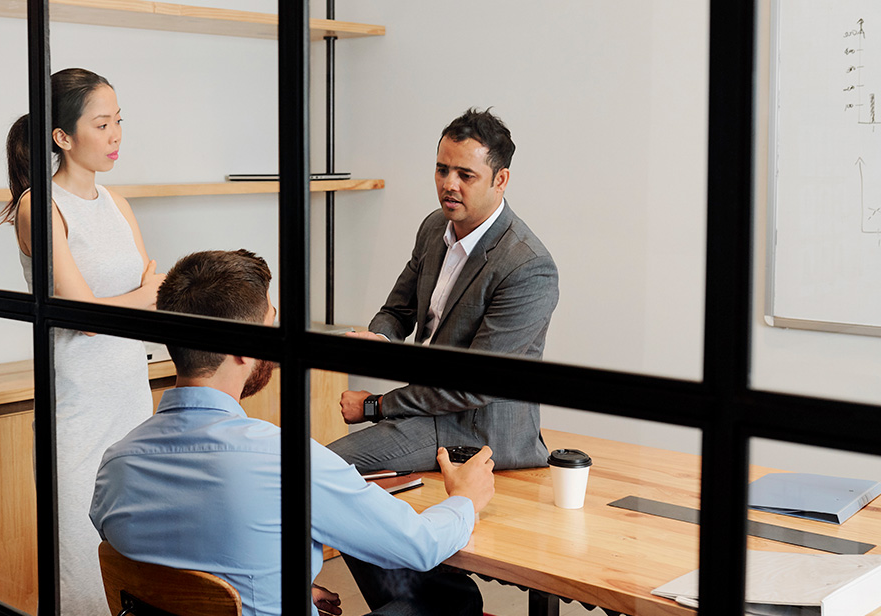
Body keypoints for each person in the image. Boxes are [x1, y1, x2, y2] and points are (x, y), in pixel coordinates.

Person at [91, 249, 496, 616]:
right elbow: (418, 545)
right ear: (244, 348)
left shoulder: (115, 466)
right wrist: (463, 499)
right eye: (272, 324)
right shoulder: (285, 462)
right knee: (454, 600)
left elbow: (178, 568)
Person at [0, 68, 165, 615]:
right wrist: (141, 294)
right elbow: (83, 316)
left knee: (139, 570)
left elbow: (156, 303)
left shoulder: (118, 205)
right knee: (81, 577)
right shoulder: (38, 206)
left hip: (131, 407)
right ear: (62, 137)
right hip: (74, 417)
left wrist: (139, 298)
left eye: (119, 121)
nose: (116, 134)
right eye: (102, 123)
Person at [328, 107, 560, 474]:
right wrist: (380, 340)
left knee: (322, 466)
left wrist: (375, 405)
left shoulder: (528, 267)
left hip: (476, 429)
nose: (448, 184)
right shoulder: (435, 227)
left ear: (500, 180)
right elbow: (397, 311)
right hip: (425, 408)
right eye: (442, 169)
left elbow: (472, 386)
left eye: (465, 175)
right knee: (312, 462)